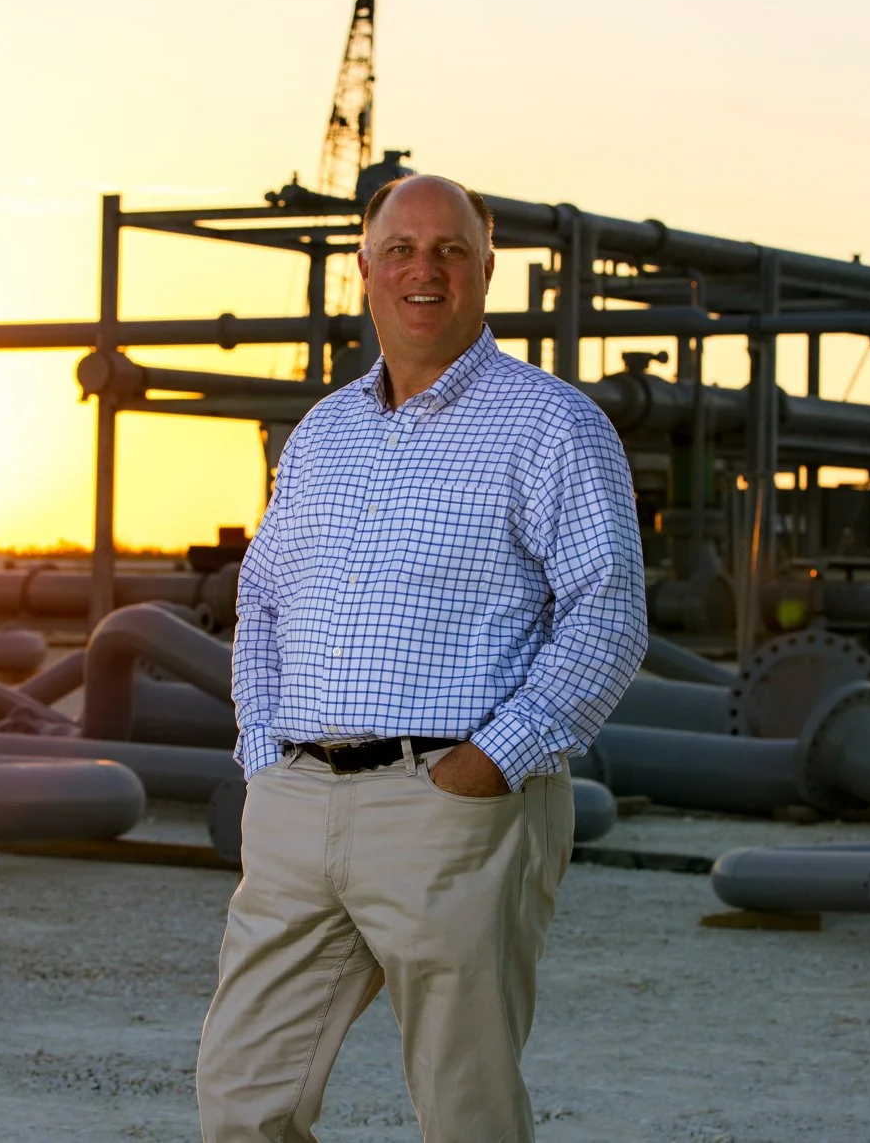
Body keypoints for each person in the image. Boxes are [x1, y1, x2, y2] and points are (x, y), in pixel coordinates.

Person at [195, 174, 648, 1141]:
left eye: (450, 250)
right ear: (362, 267)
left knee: (463, 1111)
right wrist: (263, 759)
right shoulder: (323, 433)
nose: (423, 270)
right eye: (399, 248)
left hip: (450, 811)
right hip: (299, 805)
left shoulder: (552, 426)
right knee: (243, 1100)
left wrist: (486, 767)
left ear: (488, 269)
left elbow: (607, 615)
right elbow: (264, 597)